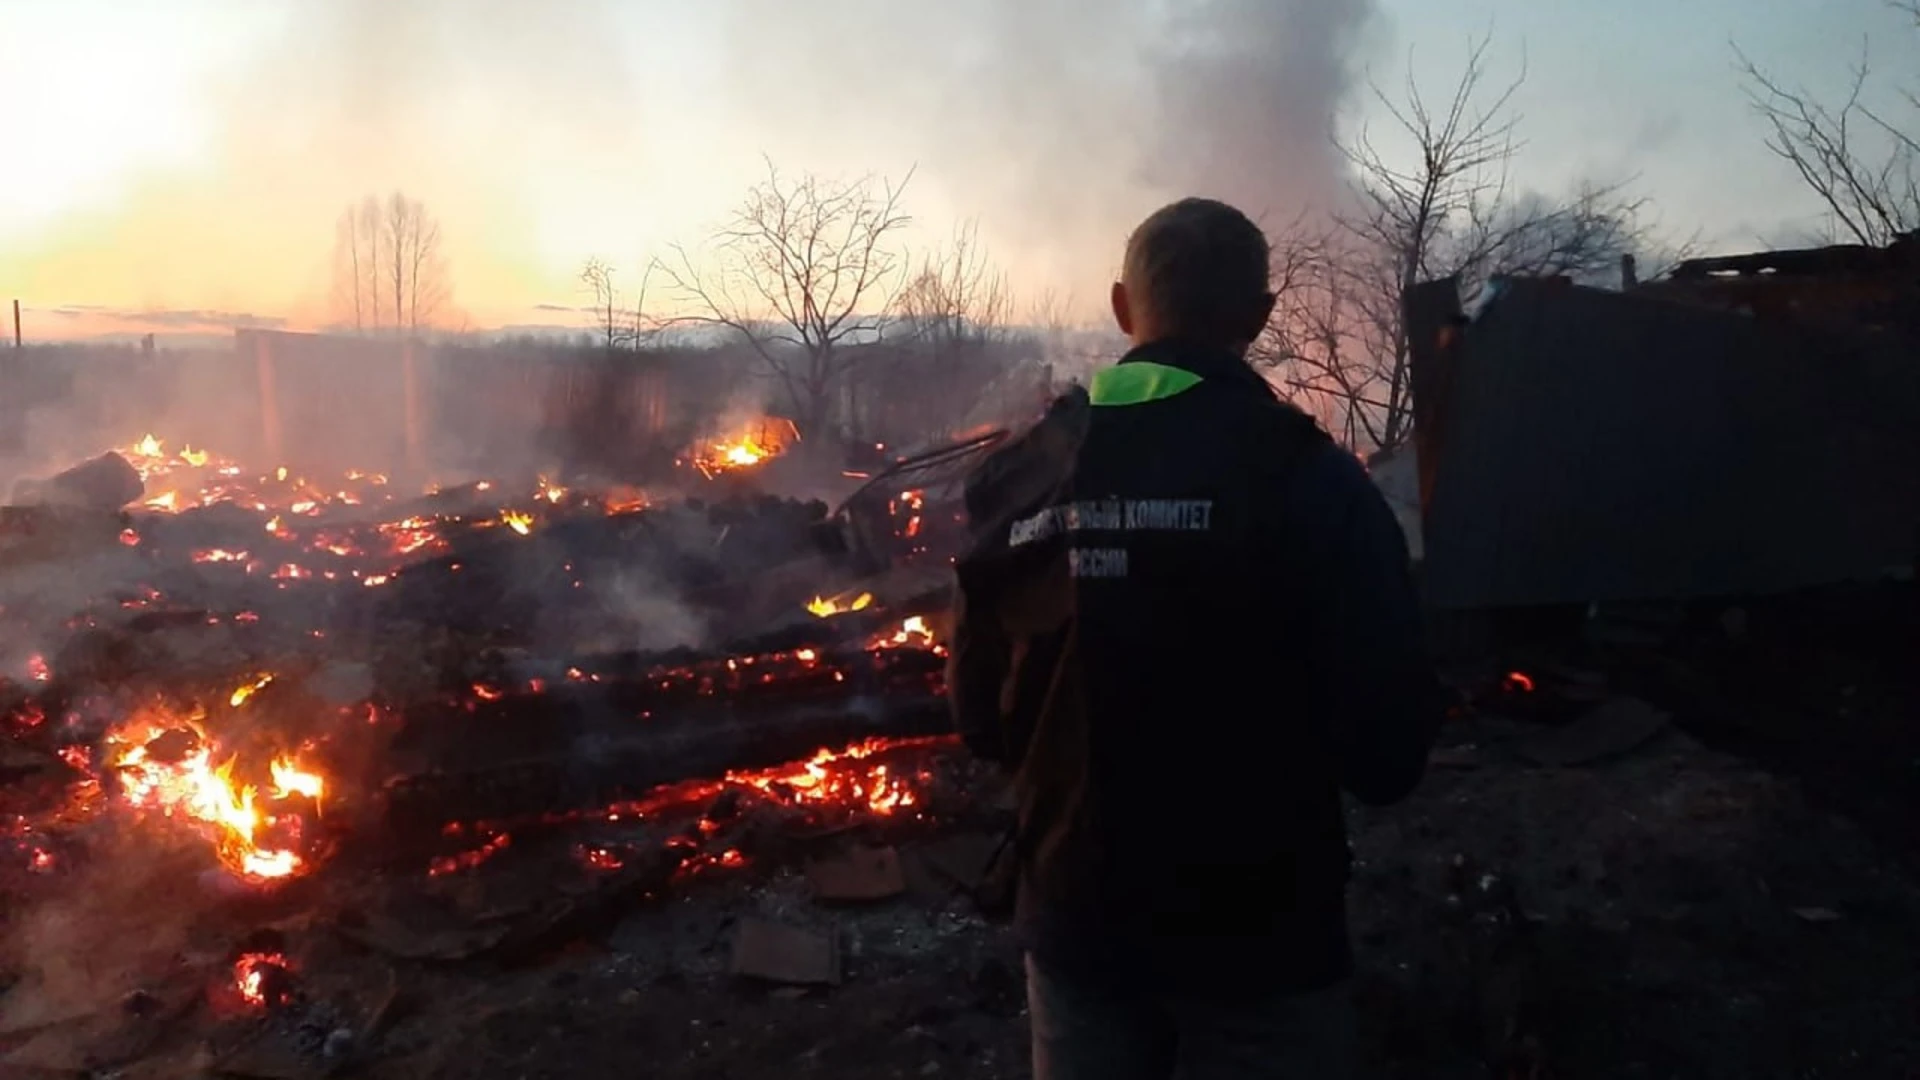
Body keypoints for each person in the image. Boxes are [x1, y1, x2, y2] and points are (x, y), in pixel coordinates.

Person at [947, 197, 1445, 1080]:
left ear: (1121, 308)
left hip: (1075, 930)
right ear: (1258, 317)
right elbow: (1387, 755)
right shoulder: (1311, 480)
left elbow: (981, 727)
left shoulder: (1019, 477)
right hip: (1262, 944)